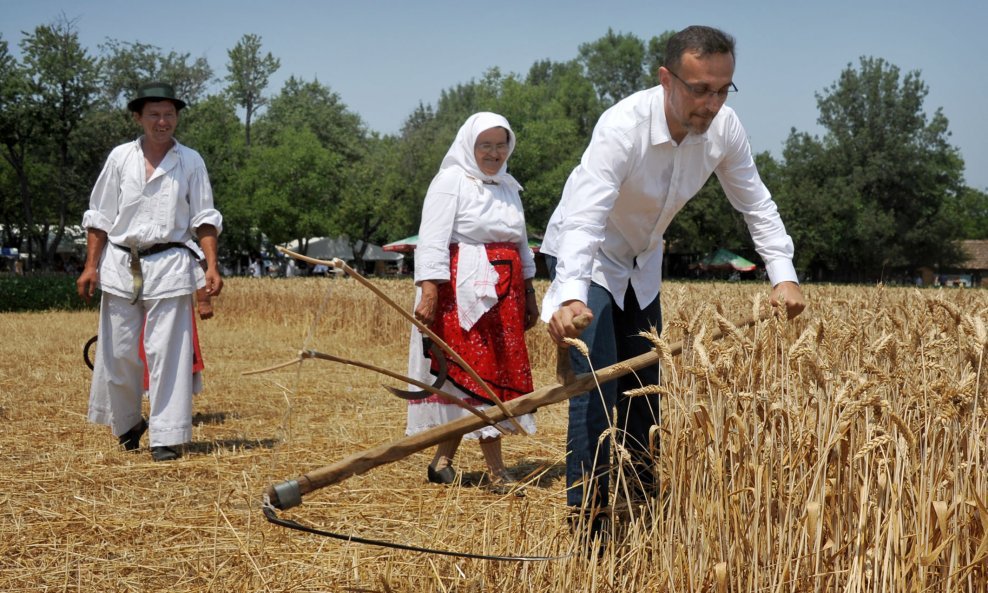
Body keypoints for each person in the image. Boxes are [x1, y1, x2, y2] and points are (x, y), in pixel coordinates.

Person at [540, 26, 806, 522]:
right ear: (666, 78)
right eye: (699, 89)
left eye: (723, 89)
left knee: (646, 388)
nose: (711, 103)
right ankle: (590, 522)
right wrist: (571, 295)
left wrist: (783, 274)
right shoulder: (622, 127)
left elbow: (756, 203)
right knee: (597, 388)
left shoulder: (725, 130)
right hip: (590, 255)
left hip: (641, 262)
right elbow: (585, 217)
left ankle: (640, 511)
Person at [77, 81, 223, 462]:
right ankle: (127, 423)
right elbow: (101, 216)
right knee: (120, 351)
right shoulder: (120, 158)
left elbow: (204, 217)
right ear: (139, 117)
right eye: (155, 114)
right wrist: (91, 265)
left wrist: (211, 264)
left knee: (168, 353)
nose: (163, 122)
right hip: (120, 263)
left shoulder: (190, 161)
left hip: (171, 263)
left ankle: (167, 437)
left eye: (169, 114)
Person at [405, 112, 539, 494]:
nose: (494, 153)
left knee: (481, 375)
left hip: (506, 295)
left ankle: (442, 461)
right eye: (486, 145)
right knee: (476, 375)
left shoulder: (509, 186)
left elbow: (521, 242)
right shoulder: (451, 181)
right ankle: (497, 472)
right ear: (469, 146)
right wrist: (429, 290)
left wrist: (528, 291)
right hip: (463, 293)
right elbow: (431, 238)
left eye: (501, 145)